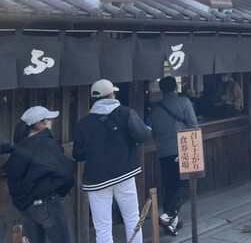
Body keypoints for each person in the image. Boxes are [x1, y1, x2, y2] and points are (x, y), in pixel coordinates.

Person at [73, 79, 151, 243]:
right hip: (125, 173)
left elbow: (78, 155)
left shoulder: (83, 124)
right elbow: (142, 135)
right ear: (111, 95)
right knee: (132, 218)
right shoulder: (125, 113)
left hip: (96, 179)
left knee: (102, 227)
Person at [3, 107, 75, 243]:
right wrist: (61, 191)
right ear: (40, 124)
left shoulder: (20, 147)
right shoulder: (47, 144)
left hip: (28, 206)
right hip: (48, 203)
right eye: (48, 119)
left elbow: (14, 177)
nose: (51, 122)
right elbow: (64, 170)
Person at [151, 76, 198, 237]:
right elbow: (193, 126)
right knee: (185, 185)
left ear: (162, 90)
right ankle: (168, 215)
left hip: (163, 152)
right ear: (176, 88)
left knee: (170, 186)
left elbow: (155, 133)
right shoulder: (184, 102)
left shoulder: (156, 109)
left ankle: (173, 222)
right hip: (181, 149)